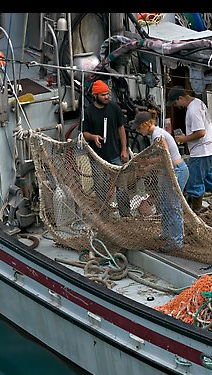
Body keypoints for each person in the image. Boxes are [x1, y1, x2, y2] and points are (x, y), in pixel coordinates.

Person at [131, 111, 189, 252]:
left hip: (176, 171)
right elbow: (161, 158)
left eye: (139, 128)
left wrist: (145, 164)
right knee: (164, 203)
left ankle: (176, 241)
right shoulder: (154, 135)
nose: (139, 131)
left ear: (146, 124)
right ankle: (167, 234)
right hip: (167, 172)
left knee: (173, 205)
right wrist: (145, 164)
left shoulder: (157, 135)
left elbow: (165, 156)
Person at [166, 85, 212, 213]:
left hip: (201, 152)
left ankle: (197, 210)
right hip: (210, 149)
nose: (176, 106)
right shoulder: (199, 103)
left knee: (195, 181)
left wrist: (183, 139)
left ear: (181, 97)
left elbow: (200, 132)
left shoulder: (192, 111)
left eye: (176, 102)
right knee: (210, 177)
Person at [81, 79, 131, 217]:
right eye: (103, 95)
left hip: (115, 154)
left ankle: (126, 215)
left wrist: (124, 149)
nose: (107, 97)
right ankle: (104, 217)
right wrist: (94, 137)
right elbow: (84, 134)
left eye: (108, 94)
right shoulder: (88, 112)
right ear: (95, 96)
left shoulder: (114, 108)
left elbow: (121, 129)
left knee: (121, 186)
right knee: (100, 188)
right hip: (96, 157)